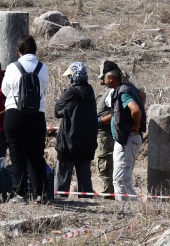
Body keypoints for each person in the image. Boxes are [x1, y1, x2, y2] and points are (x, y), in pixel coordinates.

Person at [1, 35, 50, 203]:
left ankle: (19, 194)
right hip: (37, 115)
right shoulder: (43, 68)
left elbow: (5, 90)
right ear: (35, 50)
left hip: (15, 115)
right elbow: (44, 91)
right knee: (36, 156)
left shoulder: (12, 67)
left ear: (19, 51)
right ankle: (41, 194)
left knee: (17, 156)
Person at [95, 60, 146, 198]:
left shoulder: (122, 91)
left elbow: (135, 110)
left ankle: (127, 210)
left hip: (127, 139)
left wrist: (135, 125)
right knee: (124, 180)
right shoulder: (127, 87)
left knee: (119, 180)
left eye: (104, 78)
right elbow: (142, 95)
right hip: (128, 139)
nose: (103, 82)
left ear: (110, 77)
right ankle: (132, 209)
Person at [54, 62, 97, 198]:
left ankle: (61, 201)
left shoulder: (70, 93)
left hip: (69, 143)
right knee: (84, 177)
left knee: (62, 177)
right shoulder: (90, 91)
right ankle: (87, 203)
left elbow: (57, 111)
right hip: (86, 143)